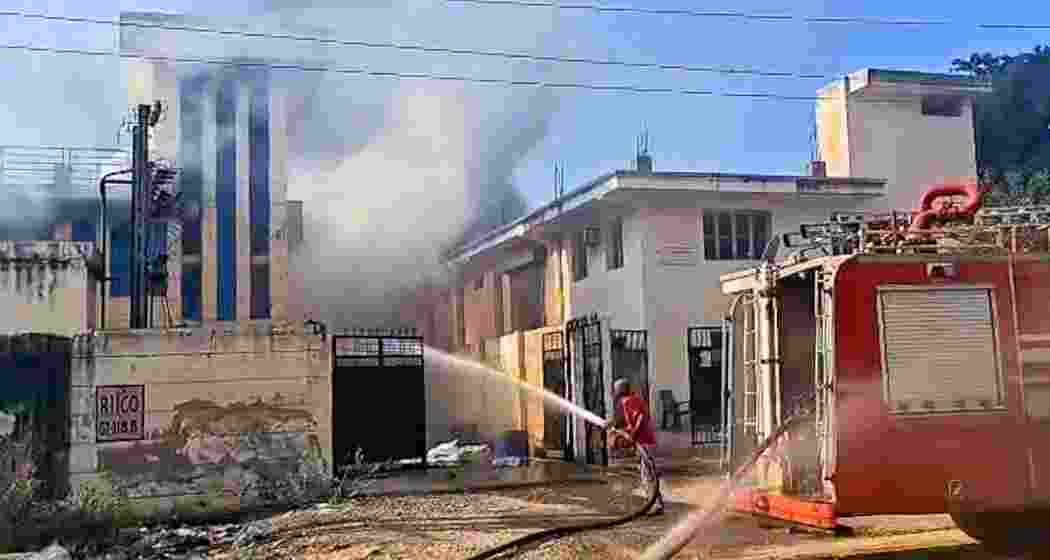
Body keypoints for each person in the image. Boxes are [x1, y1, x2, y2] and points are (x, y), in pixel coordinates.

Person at [608, 378, 664, 514]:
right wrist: (619, 429)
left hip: (645, 442)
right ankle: (656, 502)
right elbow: (633, 422)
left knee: (647, 475)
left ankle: (656, 505)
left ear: (621, 390)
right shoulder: (633, 399)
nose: (614, 391)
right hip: (646, 441)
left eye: (616, 389)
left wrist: (633, 434)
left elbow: (640, 418)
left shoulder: (628, 401)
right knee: (648, 474)